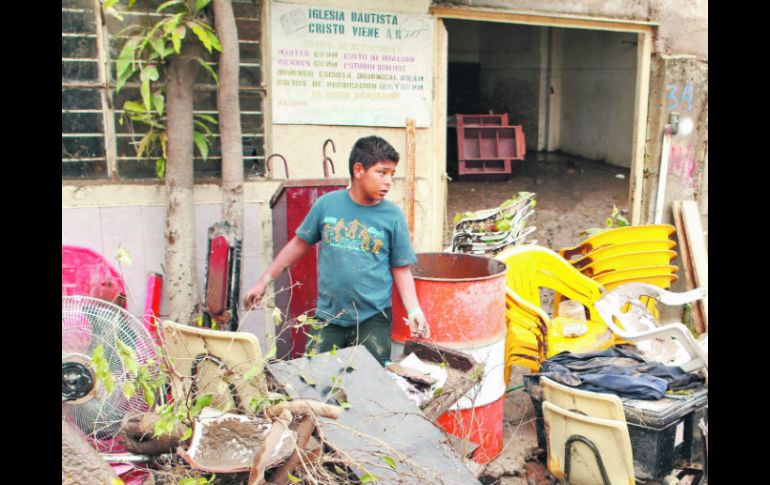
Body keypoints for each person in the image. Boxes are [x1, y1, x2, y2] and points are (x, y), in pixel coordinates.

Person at [243, 136, 429, 365]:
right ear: (359, 170)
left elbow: (400, 268)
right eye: (382, 172)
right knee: (314, 378)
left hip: (373, 318)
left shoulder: (392, 216)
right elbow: (297, 245)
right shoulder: (327, 205)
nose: (389, 181)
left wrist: (414, 311)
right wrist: (264, 281)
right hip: (328, 316)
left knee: (369, 383)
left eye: (392, 174)